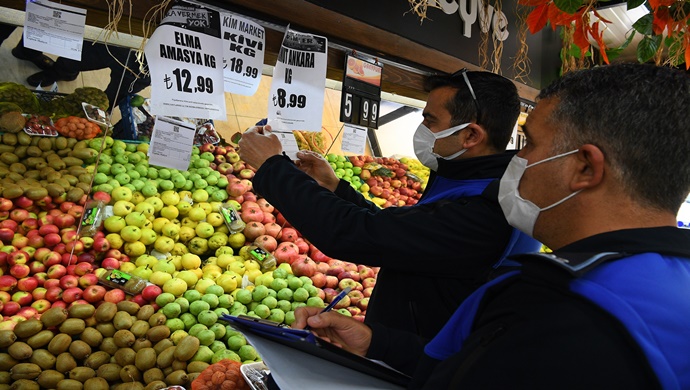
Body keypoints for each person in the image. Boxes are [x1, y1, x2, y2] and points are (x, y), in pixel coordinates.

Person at [292, 63, 690, 388]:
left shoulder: (565, 313)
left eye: (530, 144)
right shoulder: (657, 285)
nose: (517, 160)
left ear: (584, 166)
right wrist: (379, 344)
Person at [238, 70, 541, 340]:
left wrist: (271, 166)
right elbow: (401, 234)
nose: (422, 128)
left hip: (423, 369)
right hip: (401, 352)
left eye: (430, 120)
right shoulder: (468, 181)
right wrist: (335, 187)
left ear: (471, 135)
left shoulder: (489, 208)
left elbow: (356, 233)